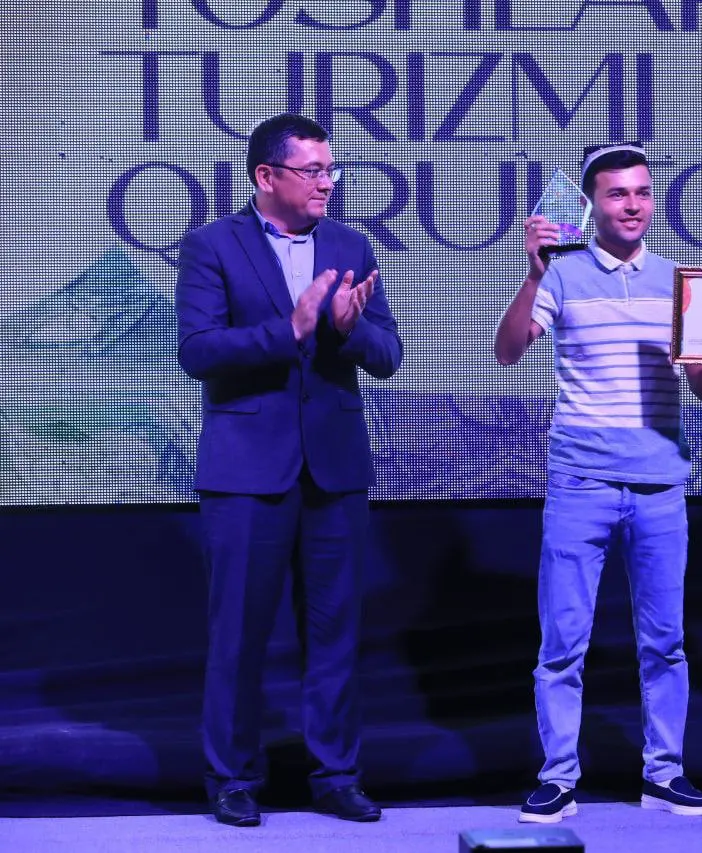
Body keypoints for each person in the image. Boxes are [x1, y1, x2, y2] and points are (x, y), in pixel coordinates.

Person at [494, 143, 702, 823]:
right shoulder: (562, 274)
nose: (633, 205)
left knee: (665, 642)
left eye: (643, 192)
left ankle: (665, 772)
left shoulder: (679, 281)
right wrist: (533, 274)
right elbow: (507, 351)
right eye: (618, 193)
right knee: (562, 644)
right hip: (581, 481)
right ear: (592, 205)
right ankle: (557, 777)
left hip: (659, 483)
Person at [176, 113, 403, 826]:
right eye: (313, 171)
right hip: (246, 471)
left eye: (331, 170)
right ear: (266, 176)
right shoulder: (213, 244)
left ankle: (335, 775)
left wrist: (346, 329)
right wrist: (293, 329)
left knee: (335, 633)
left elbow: (389, 354)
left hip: (335, 469)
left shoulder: (350, 245)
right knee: (238, 634)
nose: (327, 183)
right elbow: (198, 350)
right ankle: (233, 778)